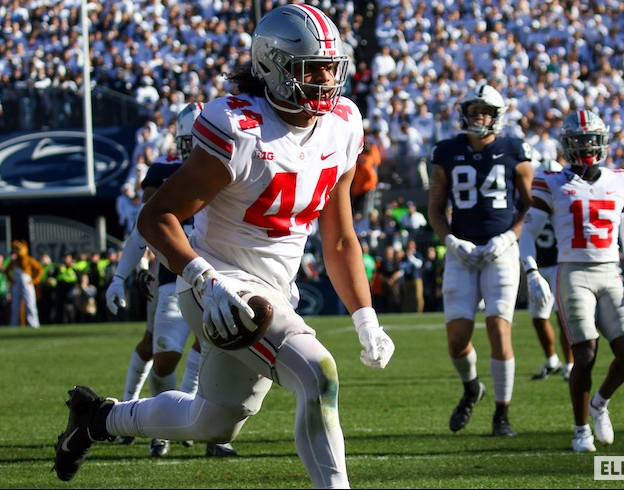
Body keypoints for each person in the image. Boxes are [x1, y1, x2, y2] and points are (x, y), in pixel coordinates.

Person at [53, 5, 395, 488]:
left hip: (274, 288)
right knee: (318, 374)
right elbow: (157, 217)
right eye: (308, 68)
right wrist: (203, 280)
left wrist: (366, 318)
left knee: (211, 421)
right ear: (271, 66)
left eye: (329, 65)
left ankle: (97, 420)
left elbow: (338, 236)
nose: (324, 79)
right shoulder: (238, 125)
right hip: (219, 284)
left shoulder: (343, 122)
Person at [518, 108, 624, 453]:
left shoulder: (621, 179)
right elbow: (527, 232)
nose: (585, 148)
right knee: (586, 353)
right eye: (578, 141)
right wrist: (532, 271)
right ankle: (581, 429)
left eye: (590, 140)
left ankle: (599, 404)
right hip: (573, 271)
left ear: (604, 142)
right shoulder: (551, 180)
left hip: (610, 271)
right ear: (566, 145)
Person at [104, 102, 237, 458]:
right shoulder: (162, 172)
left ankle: (209, 432)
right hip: (172, 278)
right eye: (186, 142)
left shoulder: (231, 170)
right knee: (164, 357)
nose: (190, 149)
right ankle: (159, 423)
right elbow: (143, 229)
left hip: (222, 276)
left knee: (218, 354)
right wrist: (120, 275)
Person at [427, 83, 534, 438]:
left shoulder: (514, 148)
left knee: (498, 328)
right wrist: (450, 241)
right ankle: (472, 386)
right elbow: (436, 207)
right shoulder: (446, 151)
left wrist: (508, 237)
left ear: (496, 116)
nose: (478, 117)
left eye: (484, 111)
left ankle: (502, 413)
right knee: (457, 339)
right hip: (463, 251)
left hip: (500, 250)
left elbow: (529, 204)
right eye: (473, 111)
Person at [526, 159, 574, 381]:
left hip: (558, 264)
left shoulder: (566, 202)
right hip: (539, 264)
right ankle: (551, 360)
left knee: (562, 317)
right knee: (538, 317)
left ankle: (570, 364)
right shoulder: (533, 202)